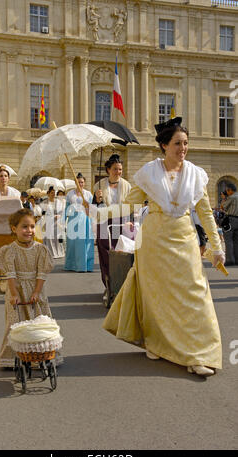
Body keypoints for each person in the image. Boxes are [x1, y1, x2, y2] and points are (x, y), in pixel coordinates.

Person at [102, 116, 225, 377]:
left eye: (186, 143)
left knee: (194, 295)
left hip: (184, 238)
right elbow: (129, 205)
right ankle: (155, 341)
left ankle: (198, 353)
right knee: (156, 295)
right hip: (154, 242)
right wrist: (99, 214)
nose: (183, 149)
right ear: (164, 146)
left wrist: (216, 247)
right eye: (178, 144)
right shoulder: (149, 173)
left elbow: (205, 214)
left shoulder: (195, 174)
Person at [0, 208, 54, 368]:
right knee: (15, 324)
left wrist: (36, 291)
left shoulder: (40, 250)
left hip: (36, 289)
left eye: (32, 226)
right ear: (14, 229)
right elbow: (11, 274)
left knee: (39, 322)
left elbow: (42, 273)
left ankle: (41, 354)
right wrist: (13, 293)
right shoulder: (10, 251)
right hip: (17, 290)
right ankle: (12, 356)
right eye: (25, 227)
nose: (29, 230)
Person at [93, 154, 132, 294]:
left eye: (120, 169)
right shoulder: (99, 185)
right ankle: (108, 282)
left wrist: (130, 220)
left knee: (120, 251)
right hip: (104, 223)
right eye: (115, 169)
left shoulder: (127, 185)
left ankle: (122, 282)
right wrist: (97, 199)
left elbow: (131, 205)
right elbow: (94, 208)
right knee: (106, 253)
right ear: (108, 169)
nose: (118, 172)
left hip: (121, 222)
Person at [64, 173, 94, 272]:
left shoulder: (88, 194)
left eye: (82, 182)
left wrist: (92, 221)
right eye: (78, 182)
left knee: (83, 243)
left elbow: (91, 209)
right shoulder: (70, 194)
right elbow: (66, 208)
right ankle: (71, 265)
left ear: (84, 183)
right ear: (75, 182)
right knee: (72, 243)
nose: (80, 184)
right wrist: (64, 220)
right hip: (73, 218)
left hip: (85, 219)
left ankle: (85, 265)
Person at [40, 186, 65, 259]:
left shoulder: (58, 202)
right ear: (48, 194)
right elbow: (42, 213)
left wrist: (58, 216)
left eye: (54, 193)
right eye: (51, 193)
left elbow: (61, 212)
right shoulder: (45, 202)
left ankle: (58, 252)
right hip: (48, 222)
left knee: (56, 238)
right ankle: (50, 253)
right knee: (49, 238)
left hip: (57, 222)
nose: (53, 194)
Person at [220, 182, 238, 265]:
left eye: (227, 191)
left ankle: (230, 260)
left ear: (230, 190)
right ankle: (236, 259)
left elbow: (223, 207)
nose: (226, 192)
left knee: (228, 240)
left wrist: (224, 198)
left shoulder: (232, 197)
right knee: (236, 240)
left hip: (231, 219)